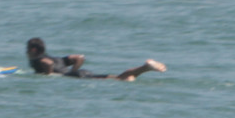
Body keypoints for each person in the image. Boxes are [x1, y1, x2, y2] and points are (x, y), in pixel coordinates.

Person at [25, 38, 164, 81]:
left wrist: (49, 75)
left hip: (76, 76)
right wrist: (73, 70)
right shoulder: (56, 58)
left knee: (118, 79)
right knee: (117, 78)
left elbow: (47, 63)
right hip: (79, 72)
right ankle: (145, 68)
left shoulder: (37, 60)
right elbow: (78, 57)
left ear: (33, 50)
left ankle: (145, 67)